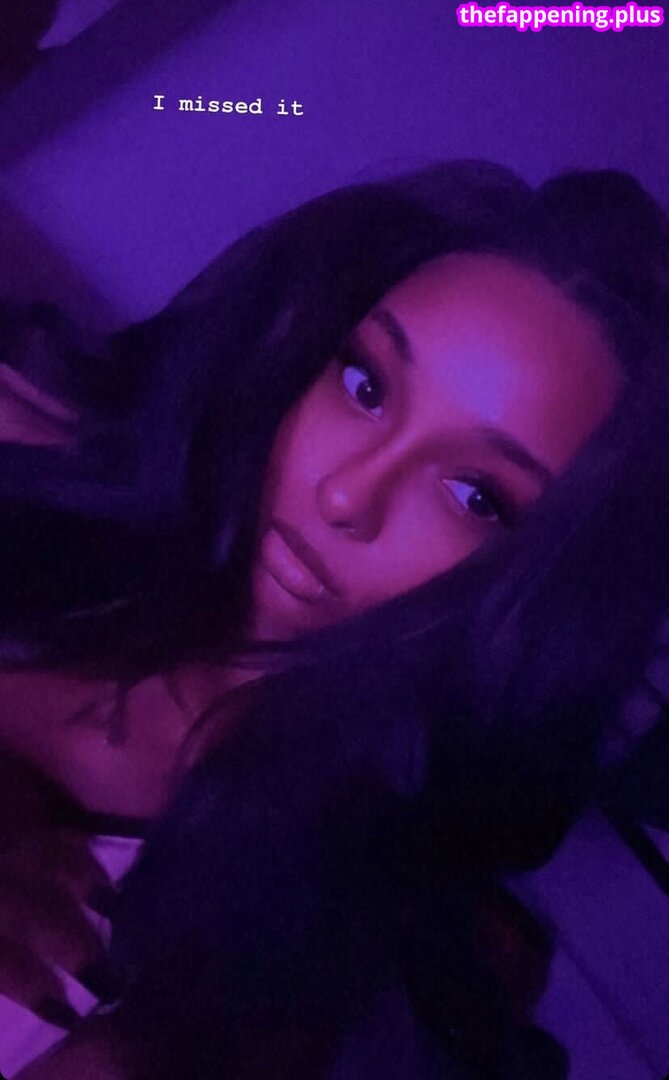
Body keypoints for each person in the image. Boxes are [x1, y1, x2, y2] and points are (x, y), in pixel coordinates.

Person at [0, 160, 667, 1079]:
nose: (347, 494)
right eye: (364, 385)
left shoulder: (303, 962)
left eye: (474, 494)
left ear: (541, 586)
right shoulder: (47, 500)